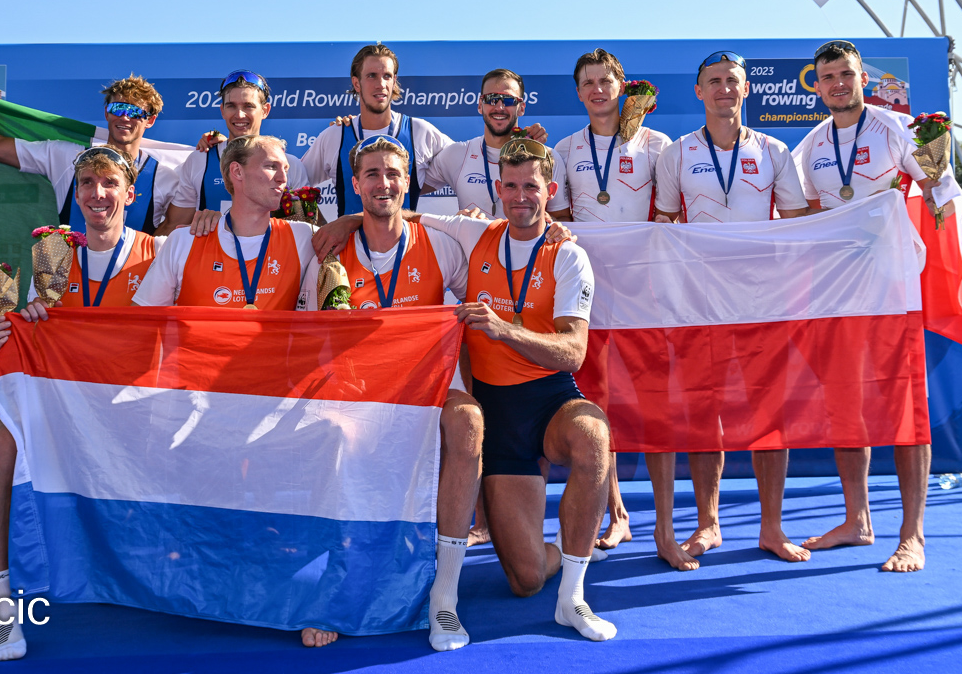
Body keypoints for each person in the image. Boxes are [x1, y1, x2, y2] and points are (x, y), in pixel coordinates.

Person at [322, 138, 615, 641]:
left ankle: (573, 596)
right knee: (526, 579)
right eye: (512, 186)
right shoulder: (471, 232)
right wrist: (346, 221)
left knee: (594, 435)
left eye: (532, 187)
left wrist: (503, 329)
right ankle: (556, 554)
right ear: (498, 188)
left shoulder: (569, 254)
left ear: (550, 192)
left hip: (548, 399)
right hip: (494, 411)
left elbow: (573, 352)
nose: (521, 197)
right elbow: (395, 210)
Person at [132, 133, 339, 645]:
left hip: (274, 408)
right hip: (202, 412)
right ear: (236, 175)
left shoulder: (302, 237)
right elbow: (137, 326)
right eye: (271, 167)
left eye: (285, 168)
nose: (283, 176)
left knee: (334, 439)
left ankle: (322, 596)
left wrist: (350, 221)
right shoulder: (186, 241)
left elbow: (328, 313)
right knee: (210, 554)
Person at [299, 136, 482, 651]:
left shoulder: (441, 244)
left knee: (468, 421)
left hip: (427, 384)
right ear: (356, 185)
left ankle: (444, 594)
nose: (384, 183)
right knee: (333, 432)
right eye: (372, 174)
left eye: (393, 173)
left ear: (409, 181)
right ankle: (337, 583)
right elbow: (311, 338)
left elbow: (501, 260)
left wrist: (558, 231)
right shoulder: (328, 253)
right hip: (357, 391)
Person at [0, 147, 163, 661]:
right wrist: (13, 331)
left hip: (136, 403)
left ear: (131, 194)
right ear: (75, 193)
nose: (97, 193)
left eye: (109, 183)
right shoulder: (53, 256)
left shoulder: (161, 250)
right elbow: (41, 337)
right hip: (68, 406)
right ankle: (2, 607)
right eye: (86, 183)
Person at [650, 50, 811, 571]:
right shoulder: (676, 153)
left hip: (761, 301)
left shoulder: (774, 150)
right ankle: (708, 523)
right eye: (714, 81)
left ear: (747, 89)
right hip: (699, 302)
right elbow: (665, 226)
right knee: (703, 411)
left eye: (732, 81)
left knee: (769, 412)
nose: (724, 89)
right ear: (699, 91)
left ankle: (771, 527)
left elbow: (796, 223)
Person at [792, 39, 939, 573]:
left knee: (905, 406)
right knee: (845, 405)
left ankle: (912, 534)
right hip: (837, 291)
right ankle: (857, 520)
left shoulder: (897, 128)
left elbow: (941, 189)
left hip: (893, 289)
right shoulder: (810, 145)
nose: (838, 84)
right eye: (828, 76)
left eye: (847, 74)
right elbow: (795, 215)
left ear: (863, 79)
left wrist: (940, 192)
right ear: (817, 85)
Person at [552, 48, 673, 550]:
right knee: (596, 403)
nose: (598, 90)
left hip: (647, 295)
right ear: (578, 93)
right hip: (590, 298)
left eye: (606, 81)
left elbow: (670, 218)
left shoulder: (658, 145)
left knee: (655, 405)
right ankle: (616, 513)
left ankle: (665, 525)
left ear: (622, 87)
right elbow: (560, 224)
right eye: (588, 83)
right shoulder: (564, 149)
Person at [0, 73, 180, 236]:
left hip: (133, 289)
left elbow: (175, 230)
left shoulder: (166, 176)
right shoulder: (65, 157)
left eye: (135, 112)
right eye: (118, 108)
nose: (125, 117)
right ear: (106, 113)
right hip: (70, 287)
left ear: (150, 120)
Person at [298, 43, 453, 215]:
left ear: (394, 81)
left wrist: (418, 184)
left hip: (405, 233)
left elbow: (464, 164)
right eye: (372, 76)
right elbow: (295, 185)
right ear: (356, 83)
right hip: (348, 234)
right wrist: (320, 225)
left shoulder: (419, 131)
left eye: (387, 76)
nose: (381, 84)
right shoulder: (335, 135)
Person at [160, 70, 305, 230]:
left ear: (265, 110)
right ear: (222, 110)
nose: (239, 115)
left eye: (248, 106)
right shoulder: (200, 159)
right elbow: (172, 226)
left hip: (271, 247)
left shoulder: (290, 165)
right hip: (212, 247)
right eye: (231, 106)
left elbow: (305, 228)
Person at [423, 67, 572, 221]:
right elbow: (411, 190)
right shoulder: (456, 154)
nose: (499, 107)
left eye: (508, 100)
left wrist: (541, 221)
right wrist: (456, 223)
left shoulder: (547, 157)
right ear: (480, 105)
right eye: (491, 99)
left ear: (521, 108)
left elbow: (563, 218)